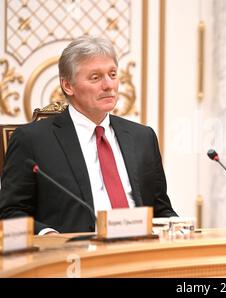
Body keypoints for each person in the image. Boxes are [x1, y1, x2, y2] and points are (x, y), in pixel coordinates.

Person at [0, 36, 177, 234]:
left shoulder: (142, 137)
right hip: (71, 257)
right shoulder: (32, 140)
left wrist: (179, 228)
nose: (109, 85)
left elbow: (161, 210)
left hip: (138, 253)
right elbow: (10, 212)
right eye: (95, 77)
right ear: (68, 85)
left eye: (112, 74)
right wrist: (48, 236)